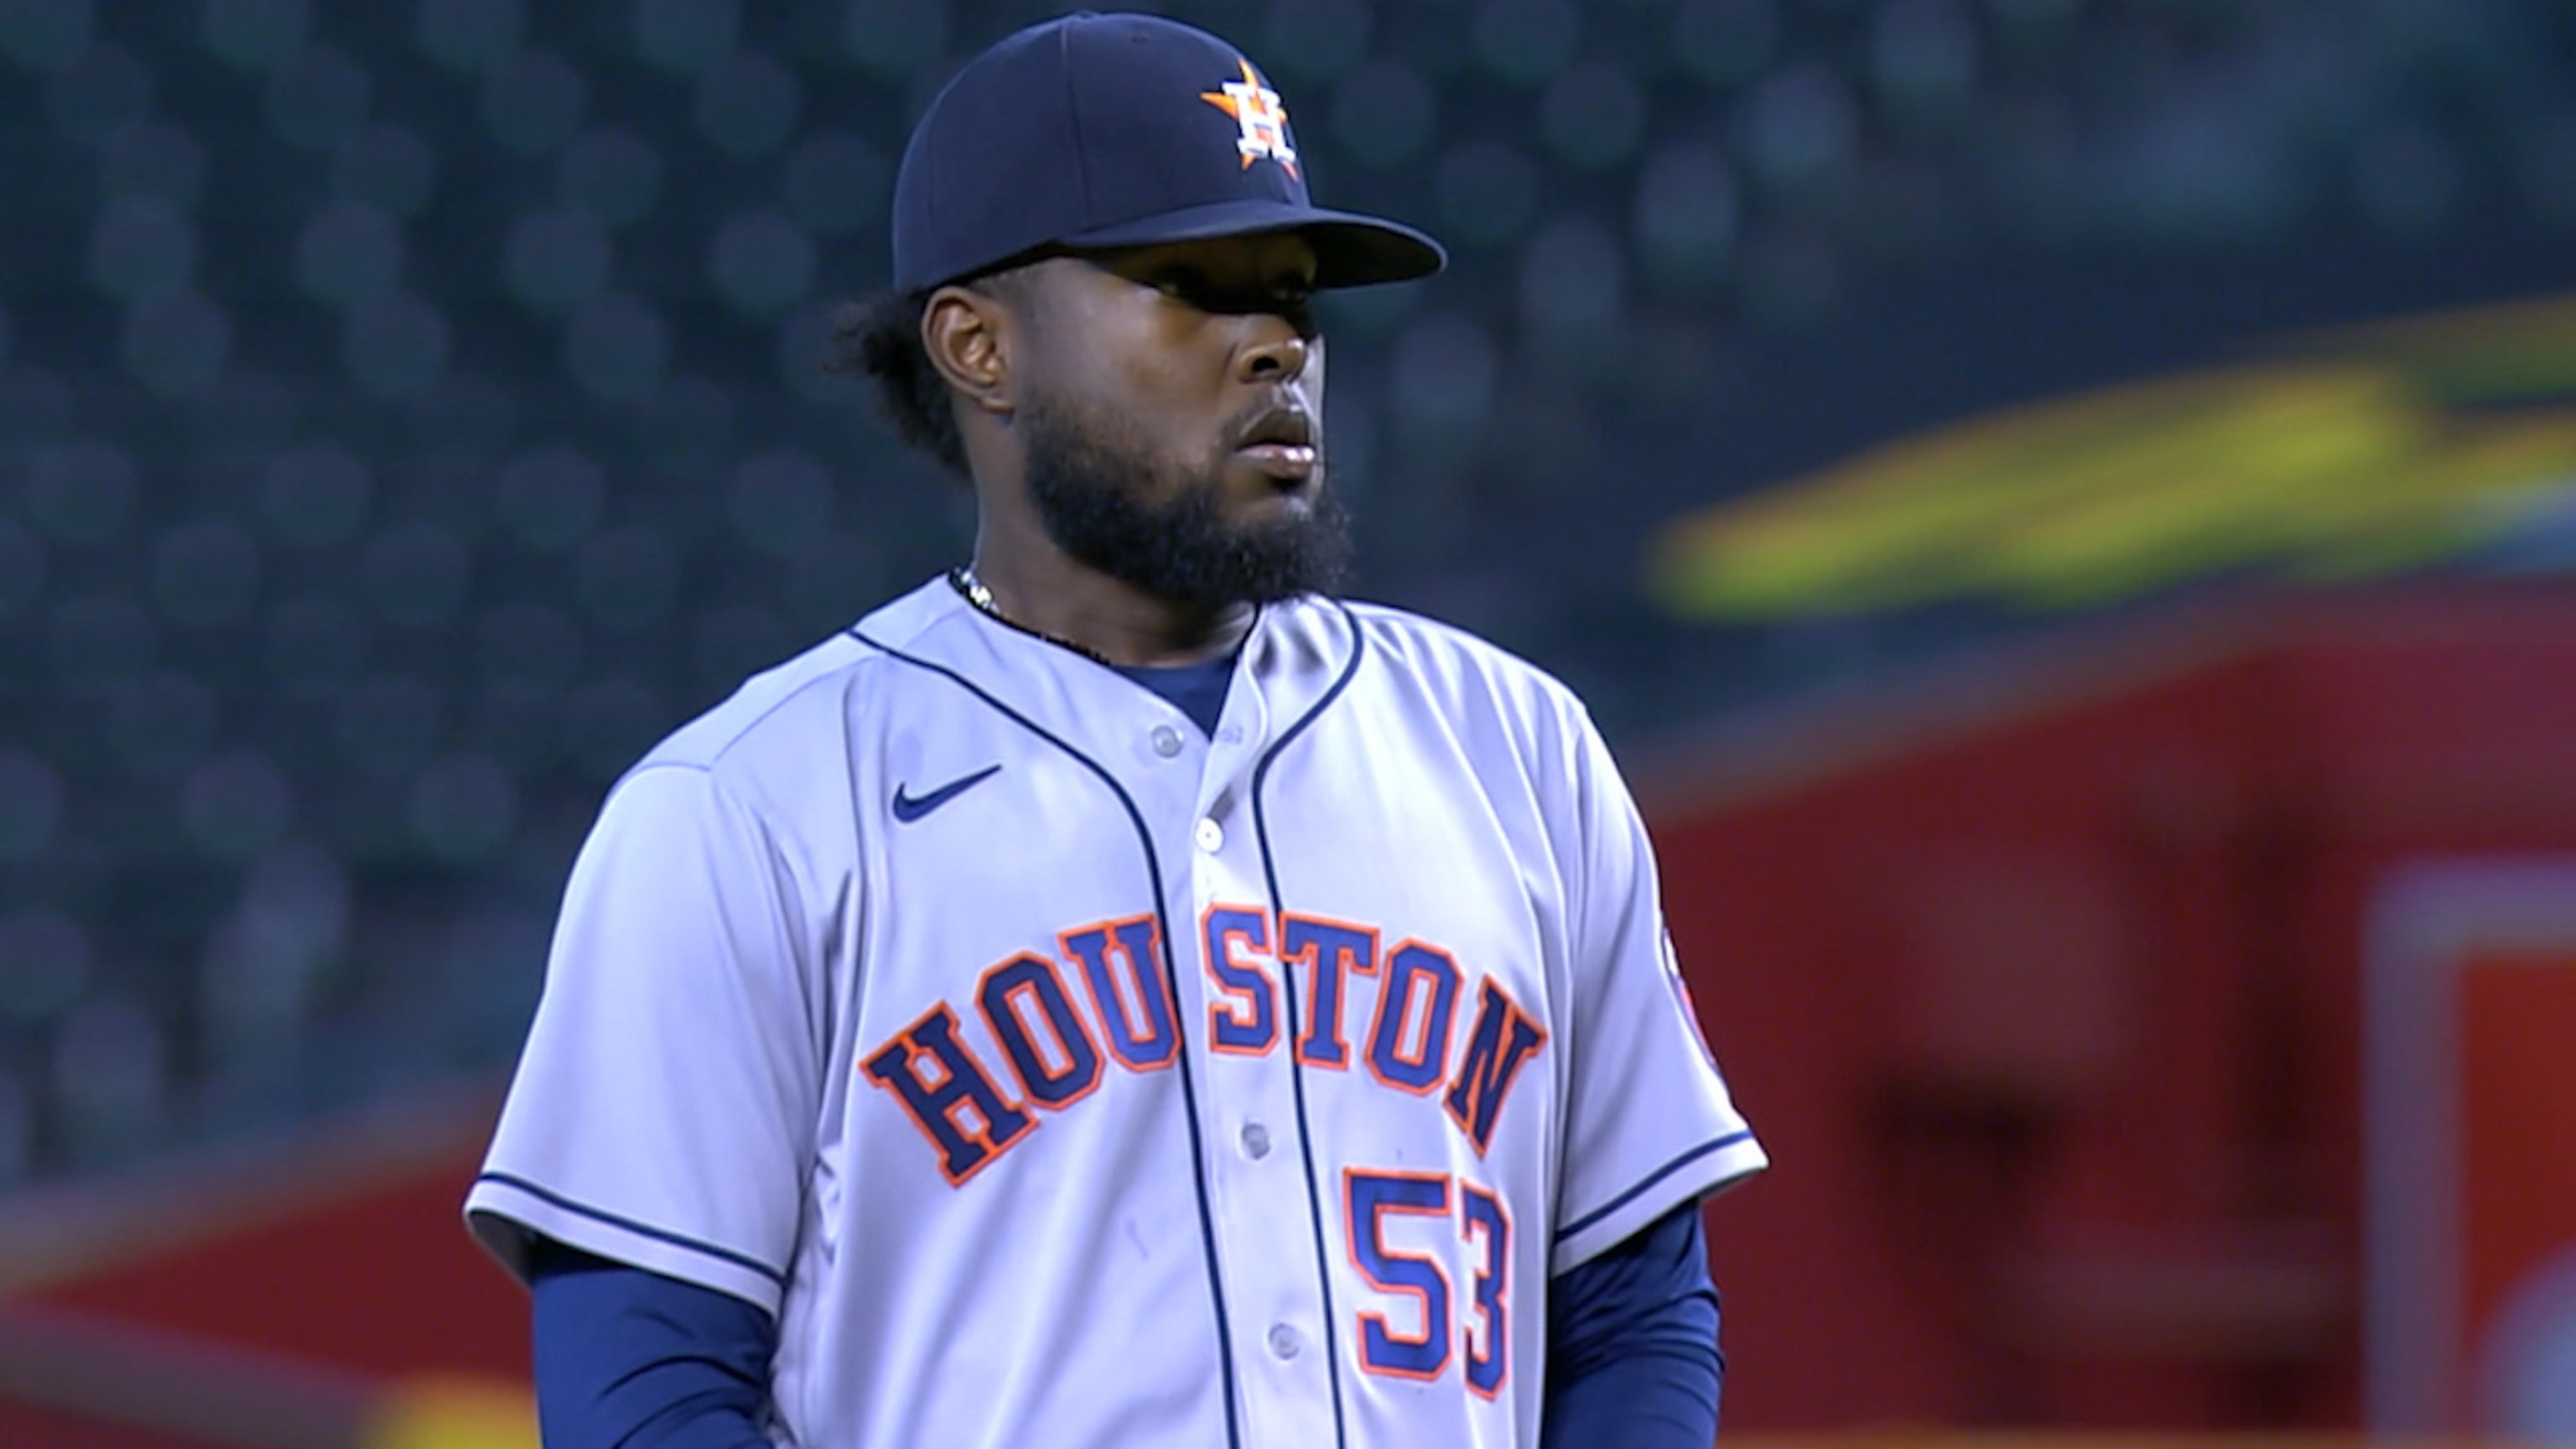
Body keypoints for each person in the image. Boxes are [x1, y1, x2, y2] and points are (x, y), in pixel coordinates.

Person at [464, 12, 1766, 1448]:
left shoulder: (1516, 750)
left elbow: (1635, 1313)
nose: (1277, 344)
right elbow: (643, 1399)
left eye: (1295, 295)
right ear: (977, 345)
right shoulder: (749, 810)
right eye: (1192, 286)